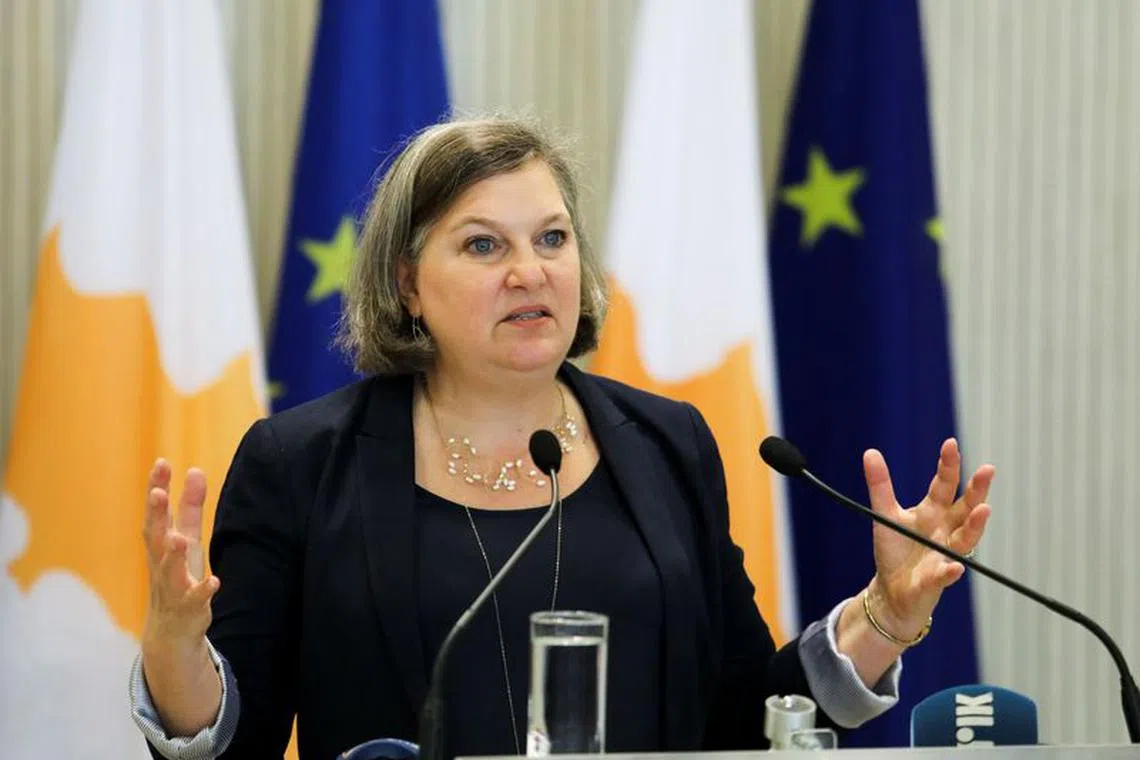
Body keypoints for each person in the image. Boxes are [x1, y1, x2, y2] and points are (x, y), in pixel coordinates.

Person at [129, 116, 994, 760]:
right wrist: (175, 651)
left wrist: (885, 615)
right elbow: (228, 743)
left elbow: (741, 719)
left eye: (551, 238)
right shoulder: (302, 467)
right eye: (482, 245)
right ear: (408, 286)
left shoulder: (665, 446)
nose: (529, 271)